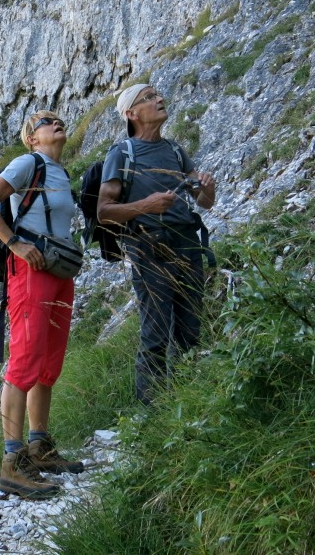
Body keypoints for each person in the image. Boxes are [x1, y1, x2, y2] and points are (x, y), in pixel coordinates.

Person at [0, 110, 84, 499]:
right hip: (31, 269)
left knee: (48, 361)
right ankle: (12, 463)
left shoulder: (60, 172)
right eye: (45, 122)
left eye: (58, 119)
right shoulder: (27, 163)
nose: (56, 122)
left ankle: (40, 447)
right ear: (32, 138)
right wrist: (15, 243)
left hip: (59, 270)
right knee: (24, 361)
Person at [96, 83, 216, 405]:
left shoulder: (175, 150)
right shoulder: (122, 153)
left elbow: (205, 202)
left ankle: (188, 398)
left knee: (191, 326)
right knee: (156, 331)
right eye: (148, 98)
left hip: (187, 243)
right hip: (149, 248)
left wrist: (207, 186)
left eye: (158, 94)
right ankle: (150, 410)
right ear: (131, 114)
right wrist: (146, 206)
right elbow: (104, 212)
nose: (159, 99)